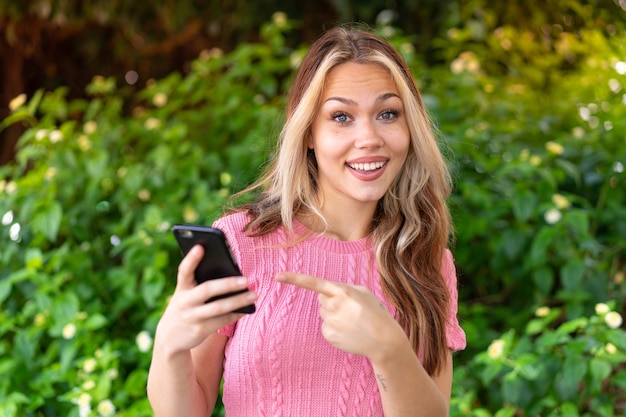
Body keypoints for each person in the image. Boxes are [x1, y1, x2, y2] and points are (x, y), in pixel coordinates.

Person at [147, 25, 466, 417]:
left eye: (387, 113)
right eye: (341, 117)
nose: (368, 137)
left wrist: (389, 349)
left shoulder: (426, 261)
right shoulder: (242, 241)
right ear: (309, 133)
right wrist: (169, 343)